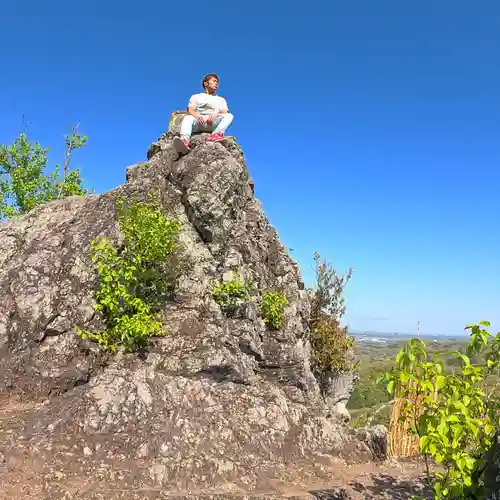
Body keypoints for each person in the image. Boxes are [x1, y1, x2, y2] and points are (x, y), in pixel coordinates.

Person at [173, 74, 234, 154]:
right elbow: (191, 109)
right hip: (199, 122)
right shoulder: (196, 96)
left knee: (229, 116)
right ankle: (185, 141)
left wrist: (216, 115)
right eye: (214, 81)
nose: (216, 84)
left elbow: (225, 112)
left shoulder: (221, 99)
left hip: (213, 123)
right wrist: (196, 115)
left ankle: (215, 135)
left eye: (217, 82)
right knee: (188, 117)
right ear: (206, 84)